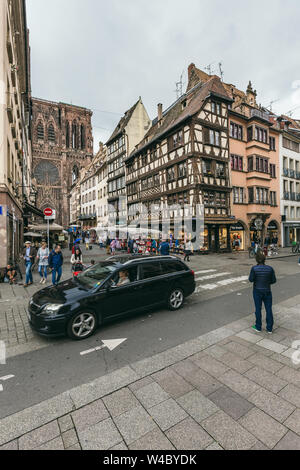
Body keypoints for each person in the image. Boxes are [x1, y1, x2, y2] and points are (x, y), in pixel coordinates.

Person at [249, 252, 276, 334]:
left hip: (257, 291)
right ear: (264, 260)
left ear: (256, 260)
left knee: (258, 309)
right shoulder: (270, 268)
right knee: (268, 309)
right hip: (267, 291)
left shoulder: (254, 268)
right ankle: (269, 328)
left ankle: (258, 327)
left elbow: (251, 279)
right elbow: (273, 280)